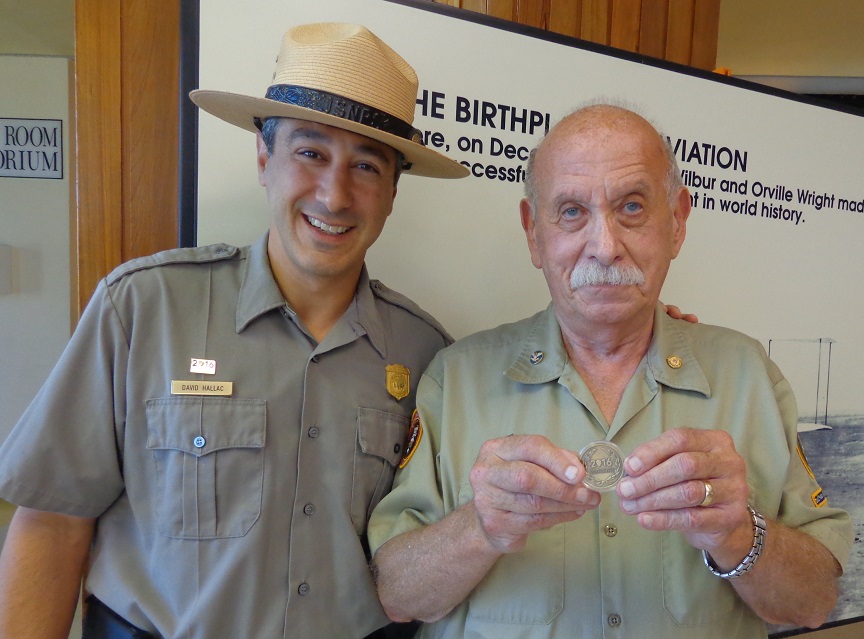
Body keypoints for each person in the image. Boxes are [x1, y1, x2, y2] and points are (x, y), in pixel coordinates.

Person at [0, 23, 469, 639]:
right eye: (310, 153)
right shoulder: (145, 307)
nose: (334, 194)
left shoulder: (425, 352)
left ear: (391, 193)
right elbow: (52, 522)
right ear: (262, 158)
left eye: (366, 166)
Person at [368, 103, 853, 639]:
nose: (604, 245)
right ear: (534, 233)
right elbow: (397, 595)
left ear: (677, 222)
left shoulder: (749, 376)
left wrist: (740, 532)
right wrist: (478, 527)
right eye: (571, 211)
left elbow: (813, 603)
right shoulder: (454, 378)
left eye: (632, 207)